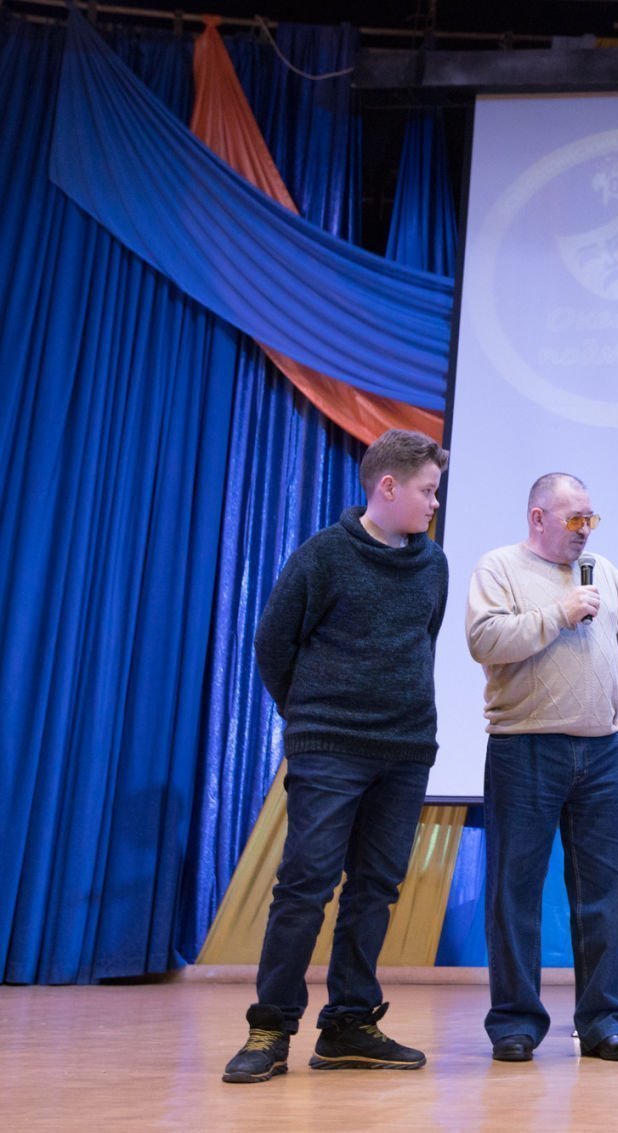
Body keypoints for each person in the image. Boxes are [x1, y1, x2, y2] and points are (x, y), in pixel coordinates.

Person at [223, 429, 450, 1084]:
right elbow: (273, 642)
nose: (434, 503)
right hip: (329, 747)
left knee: (375, 886)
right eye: (427, 490)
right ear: (388, 486)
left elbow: (424, 641)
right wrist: (308, 714)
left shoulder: (433, 564)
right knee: (305, 884)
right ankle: (270, 1027)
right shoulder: (323, 555)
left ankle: (349, 1022)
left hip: (405, 750)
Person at [466, 473, 618, 1064]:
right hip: (525, 749)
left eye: (589, 518)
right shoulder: (499, 567)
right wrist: (558, 613)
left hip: (606, 754)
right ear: (538, 518)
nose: (584, 530)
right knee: (514, 892)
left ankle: (605, 1023)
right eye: (574, 519)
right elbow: (485, 640)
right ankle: (515, 1023)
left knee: (605, 896)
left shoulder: (605, 572)